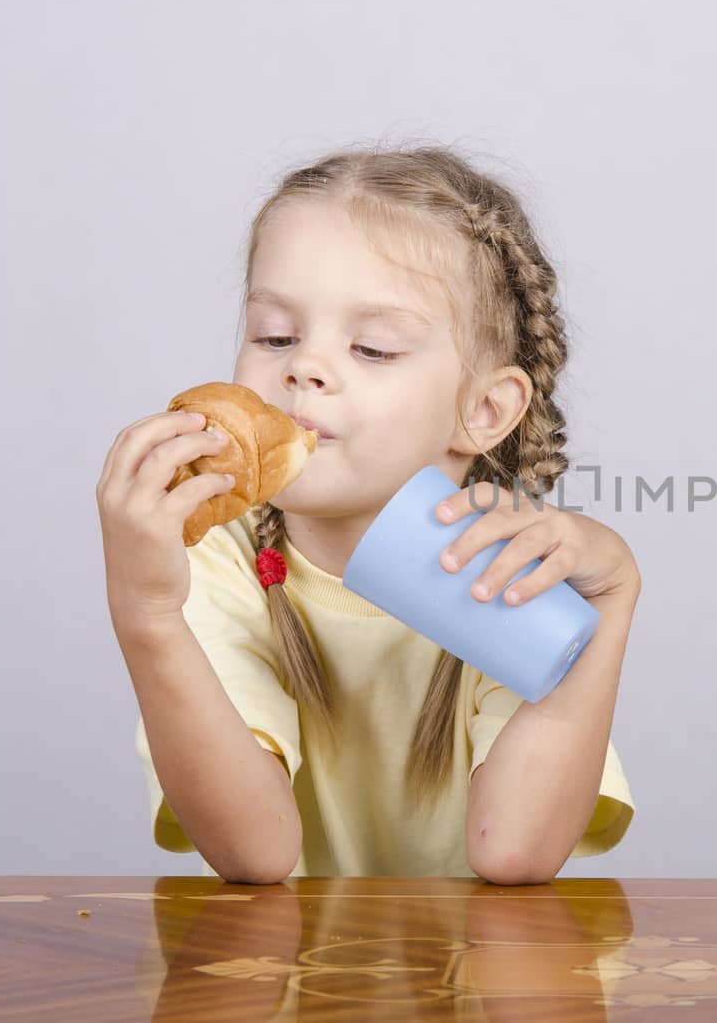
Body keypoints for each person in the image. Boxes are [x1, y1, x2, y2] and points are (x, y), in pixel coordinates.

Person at [97, 146, 636, 883]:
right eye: (275, 335)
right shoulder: (215, 562)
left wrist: (609, 603)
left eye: (373, 348)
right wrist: (147, 615)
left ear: (482, 410)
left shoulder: (503, 561)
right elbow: (256, 852)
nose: (303, 367)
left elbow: (512, 850)